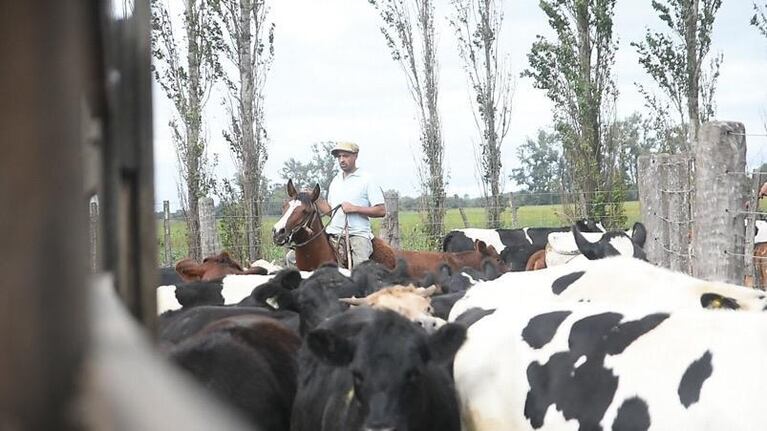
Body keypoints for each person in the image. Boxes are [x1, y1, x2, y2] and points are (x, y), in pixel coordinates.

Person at [316, 142, 386, 269]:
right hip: (333, 233)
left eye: (346, 156)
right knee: (294, 258)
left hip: (357, 234)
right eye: (339, 157)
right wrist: (315, 198)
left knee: (360, 270)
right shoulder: (335, 180)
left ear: (355, 156)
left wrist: (355, 209)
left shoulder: (367, 179)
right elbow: (331, 212)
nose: (342, 160)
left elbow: (381, 210)